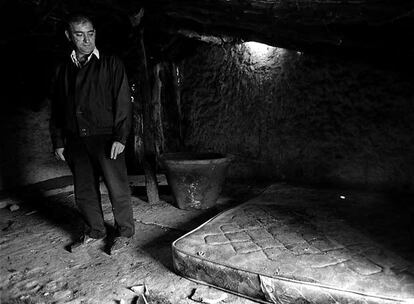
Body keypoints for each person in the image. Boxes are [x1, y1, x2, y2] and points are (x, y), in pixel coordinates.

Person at [49, 13, 134, 254]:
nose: (87, 40)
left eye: (91, 33)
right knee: (84, 190)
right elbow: (57, 107)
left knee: (117, 188)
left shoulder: (111, 63)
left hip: (106, 137)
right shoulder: (63, 69)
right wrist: (58, 140)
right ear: (69, 36)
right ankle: (95, 231)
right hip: (76, 139)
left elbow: (123, 102)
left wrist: (120, 136)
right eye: (79, 35)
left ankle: (125, 232)